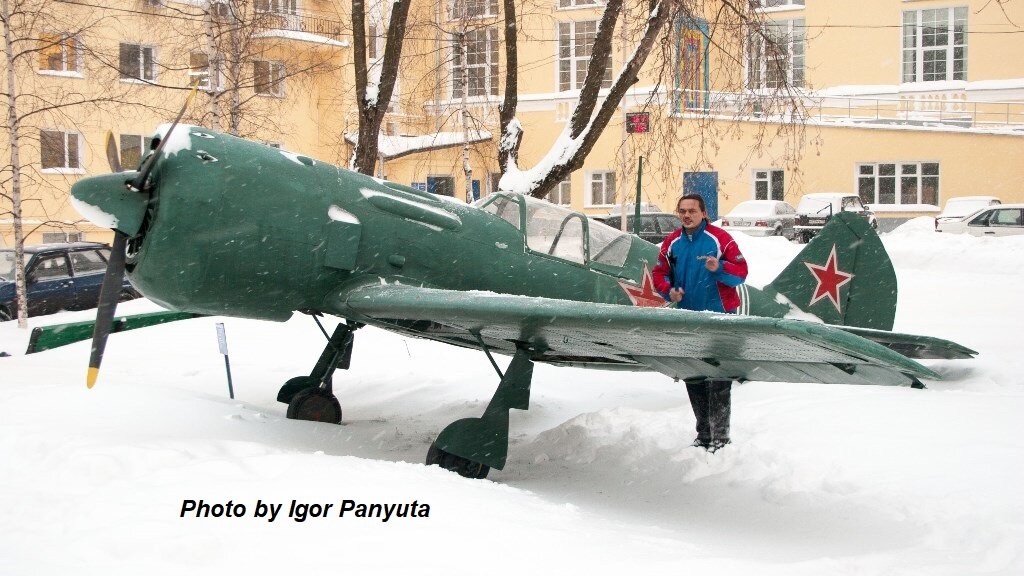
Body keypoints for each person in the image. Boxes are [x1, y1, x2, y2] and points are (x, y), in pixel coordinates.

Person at [653, 194, 748, 452]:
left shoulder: (720, 239)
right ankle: (703, 435)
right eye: (682, 211)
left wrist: (719, 268)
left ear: (703, 213)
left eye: (692, 211)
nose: (686, 215)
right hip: (687, 319)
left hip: (718, 319)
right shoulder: (672, 243)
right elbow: (659, 273)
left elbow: (741, 274)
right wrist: (669, 291)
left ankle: (720, 438)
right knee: (693, 376)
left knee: (718, 378)